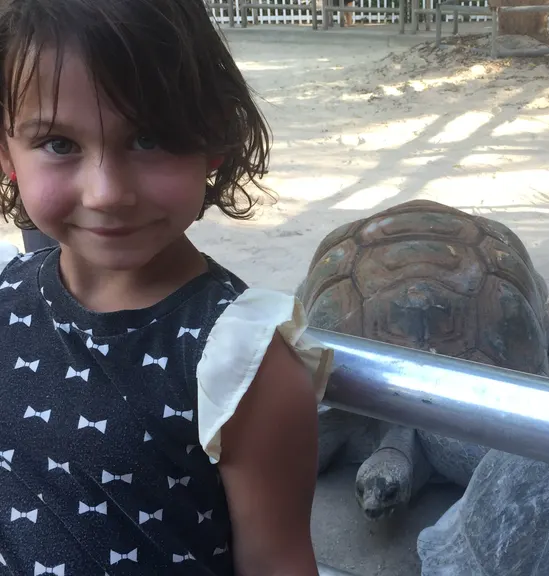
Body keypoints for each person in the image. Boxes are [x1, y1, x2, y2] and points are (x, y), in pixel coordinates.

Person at [0, 0, 334, 574]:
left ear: (214, 141)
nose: (106, 192)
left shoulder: (240, 361)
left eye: (149, 139)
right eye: (59, 143)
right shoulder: (8, 292)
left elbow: (277, 562)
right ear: (6, 152)